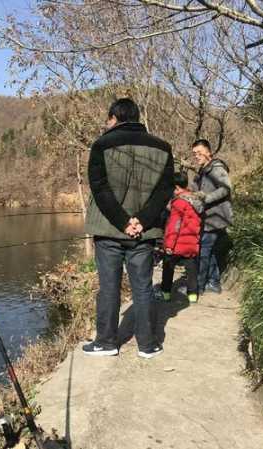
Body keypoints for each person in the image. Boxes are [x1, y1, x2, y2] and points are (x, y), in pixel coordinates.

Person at [83, 98, 174, 359]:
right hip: (144, 233)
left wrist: (123, 221)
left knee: (109, 287)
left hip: (109, 229)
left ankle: (107, 342)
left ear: (115, 117)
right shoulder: (162, 147)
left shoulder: (102, 144)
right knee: (143, 287)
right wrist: (142, 220)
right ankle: (148, 344)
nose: (106, 123)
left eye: (108, 119)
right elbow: (164, 190)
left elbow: (100, 189)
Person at [190, 139, 233, 294]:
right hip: (211, 217)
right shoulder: (203, 170)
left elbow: (226, 188)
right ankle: (213, 283)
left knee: (203, 252)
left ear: (209, 152)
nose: (196, 155)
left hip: (215, 218)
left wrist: (205, 198)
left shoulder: (216, 168)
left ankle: (198, 287)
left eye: (200, 152)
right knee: (211, 250)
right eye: (194, 153)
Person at [156, 172, 204, 304]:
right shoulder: (196, 201)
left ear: (176, 187)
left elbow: (174, 226)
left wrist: (169, 246)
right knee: (192, 269)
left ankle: (165, 293)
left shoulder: (178, 203)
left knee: (168, 266)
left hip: (178, 244)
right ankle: (193, 295)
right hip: (192, 242)